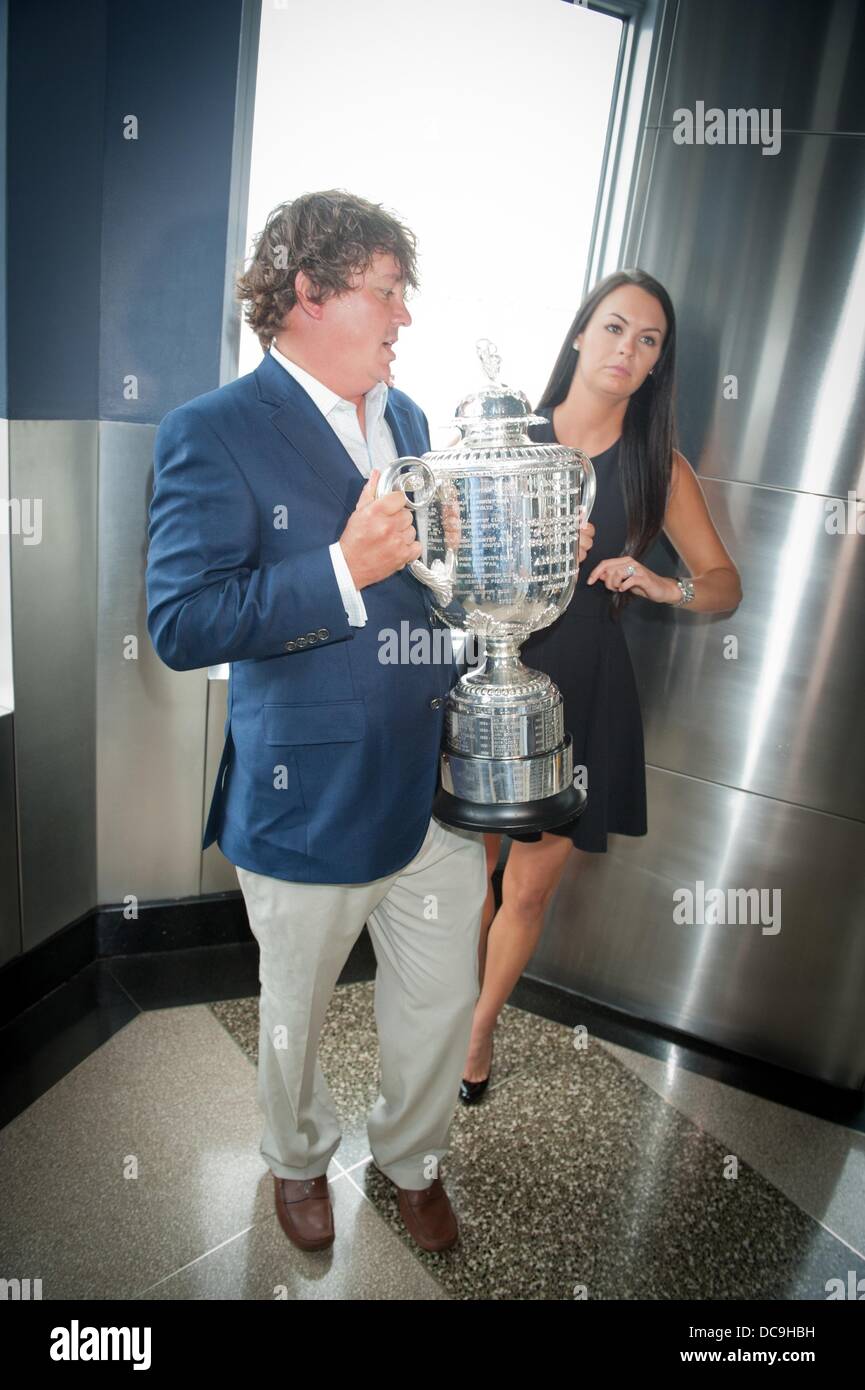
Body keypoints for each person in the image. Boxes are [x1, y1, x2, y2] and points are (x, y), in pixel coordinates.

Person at [145, 190, 493, 1255]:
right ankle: (296, 1156)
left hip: (429, 791)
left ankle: (412, 1157)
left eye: (402, 294)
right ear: (307, 291)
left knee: (440, 1002)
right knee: (293, 1015)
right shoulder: (211, 431)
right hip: (306, 799)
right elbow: (182, 621)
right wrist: (341, 568)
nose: (403, 318)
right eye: (384, 292)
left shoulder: (415, 421)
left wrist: (499, 574)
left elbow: (432, 584)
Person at [459, 269, 743, 1102]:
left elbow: (723, 582)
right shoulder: (511, 438)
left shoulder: (661, 468)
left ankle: (475, 1039)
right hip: (488, 677)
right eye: (614, 328)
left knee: (527, 888)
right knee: (462, 877)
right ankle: (442, 1017)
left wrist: (667, 587)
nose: (627, 349)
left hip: (584, 685)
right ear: (580, 334)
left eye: (647, 340)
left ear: (657, 365)